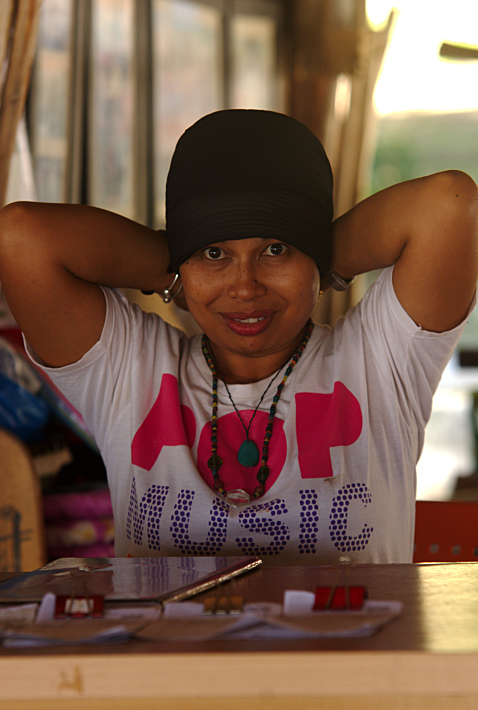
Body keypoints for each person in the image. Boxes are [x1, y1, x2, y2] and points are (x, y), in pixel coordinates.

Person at [0, 109, 477, 565]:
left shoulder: (379, 363)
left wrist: (317, 257)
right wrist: (178, 274)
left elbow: (451, 204)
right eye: (214, 253)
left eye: (276, 249)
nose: (245, 287)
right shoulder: (129, 369)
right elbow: (20, 235)